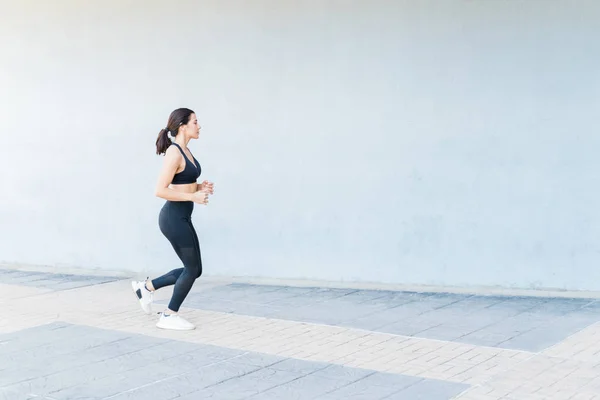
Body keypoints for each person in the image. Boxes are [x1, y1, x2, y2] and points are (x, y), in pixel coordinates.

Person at [131, 107, 214, 331]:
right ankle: (169, 315)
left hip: (182, 217)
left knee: (194, 269)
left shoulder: (186, 151)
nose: (199, 126)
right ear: (183, 126)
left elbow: (182, 183)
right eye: (195, 121)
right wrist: (193, 196)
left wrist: (199, 187)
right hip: (172, 218)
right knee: (192, 268)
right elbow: (160, 190)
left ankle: (146, 288)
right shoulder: (174, 152)